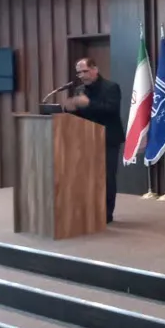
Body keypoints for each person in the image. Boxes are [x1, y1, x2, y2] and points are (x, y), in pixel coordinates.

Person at [63, 58, 124, 223]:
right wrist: (69, 109)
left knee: (107, 177)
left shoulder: (111, 87)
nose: (82, 75)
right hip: (85, 140)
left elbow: (111, 110)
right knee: (87, 177)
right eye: (79, 73)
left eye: (85, 71)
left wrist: (88, 103)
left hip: (108, 139)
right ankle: (90, 210)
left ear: (95, 69)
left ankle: (106, 214)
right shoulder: (79, 90)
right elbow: (80, 116)